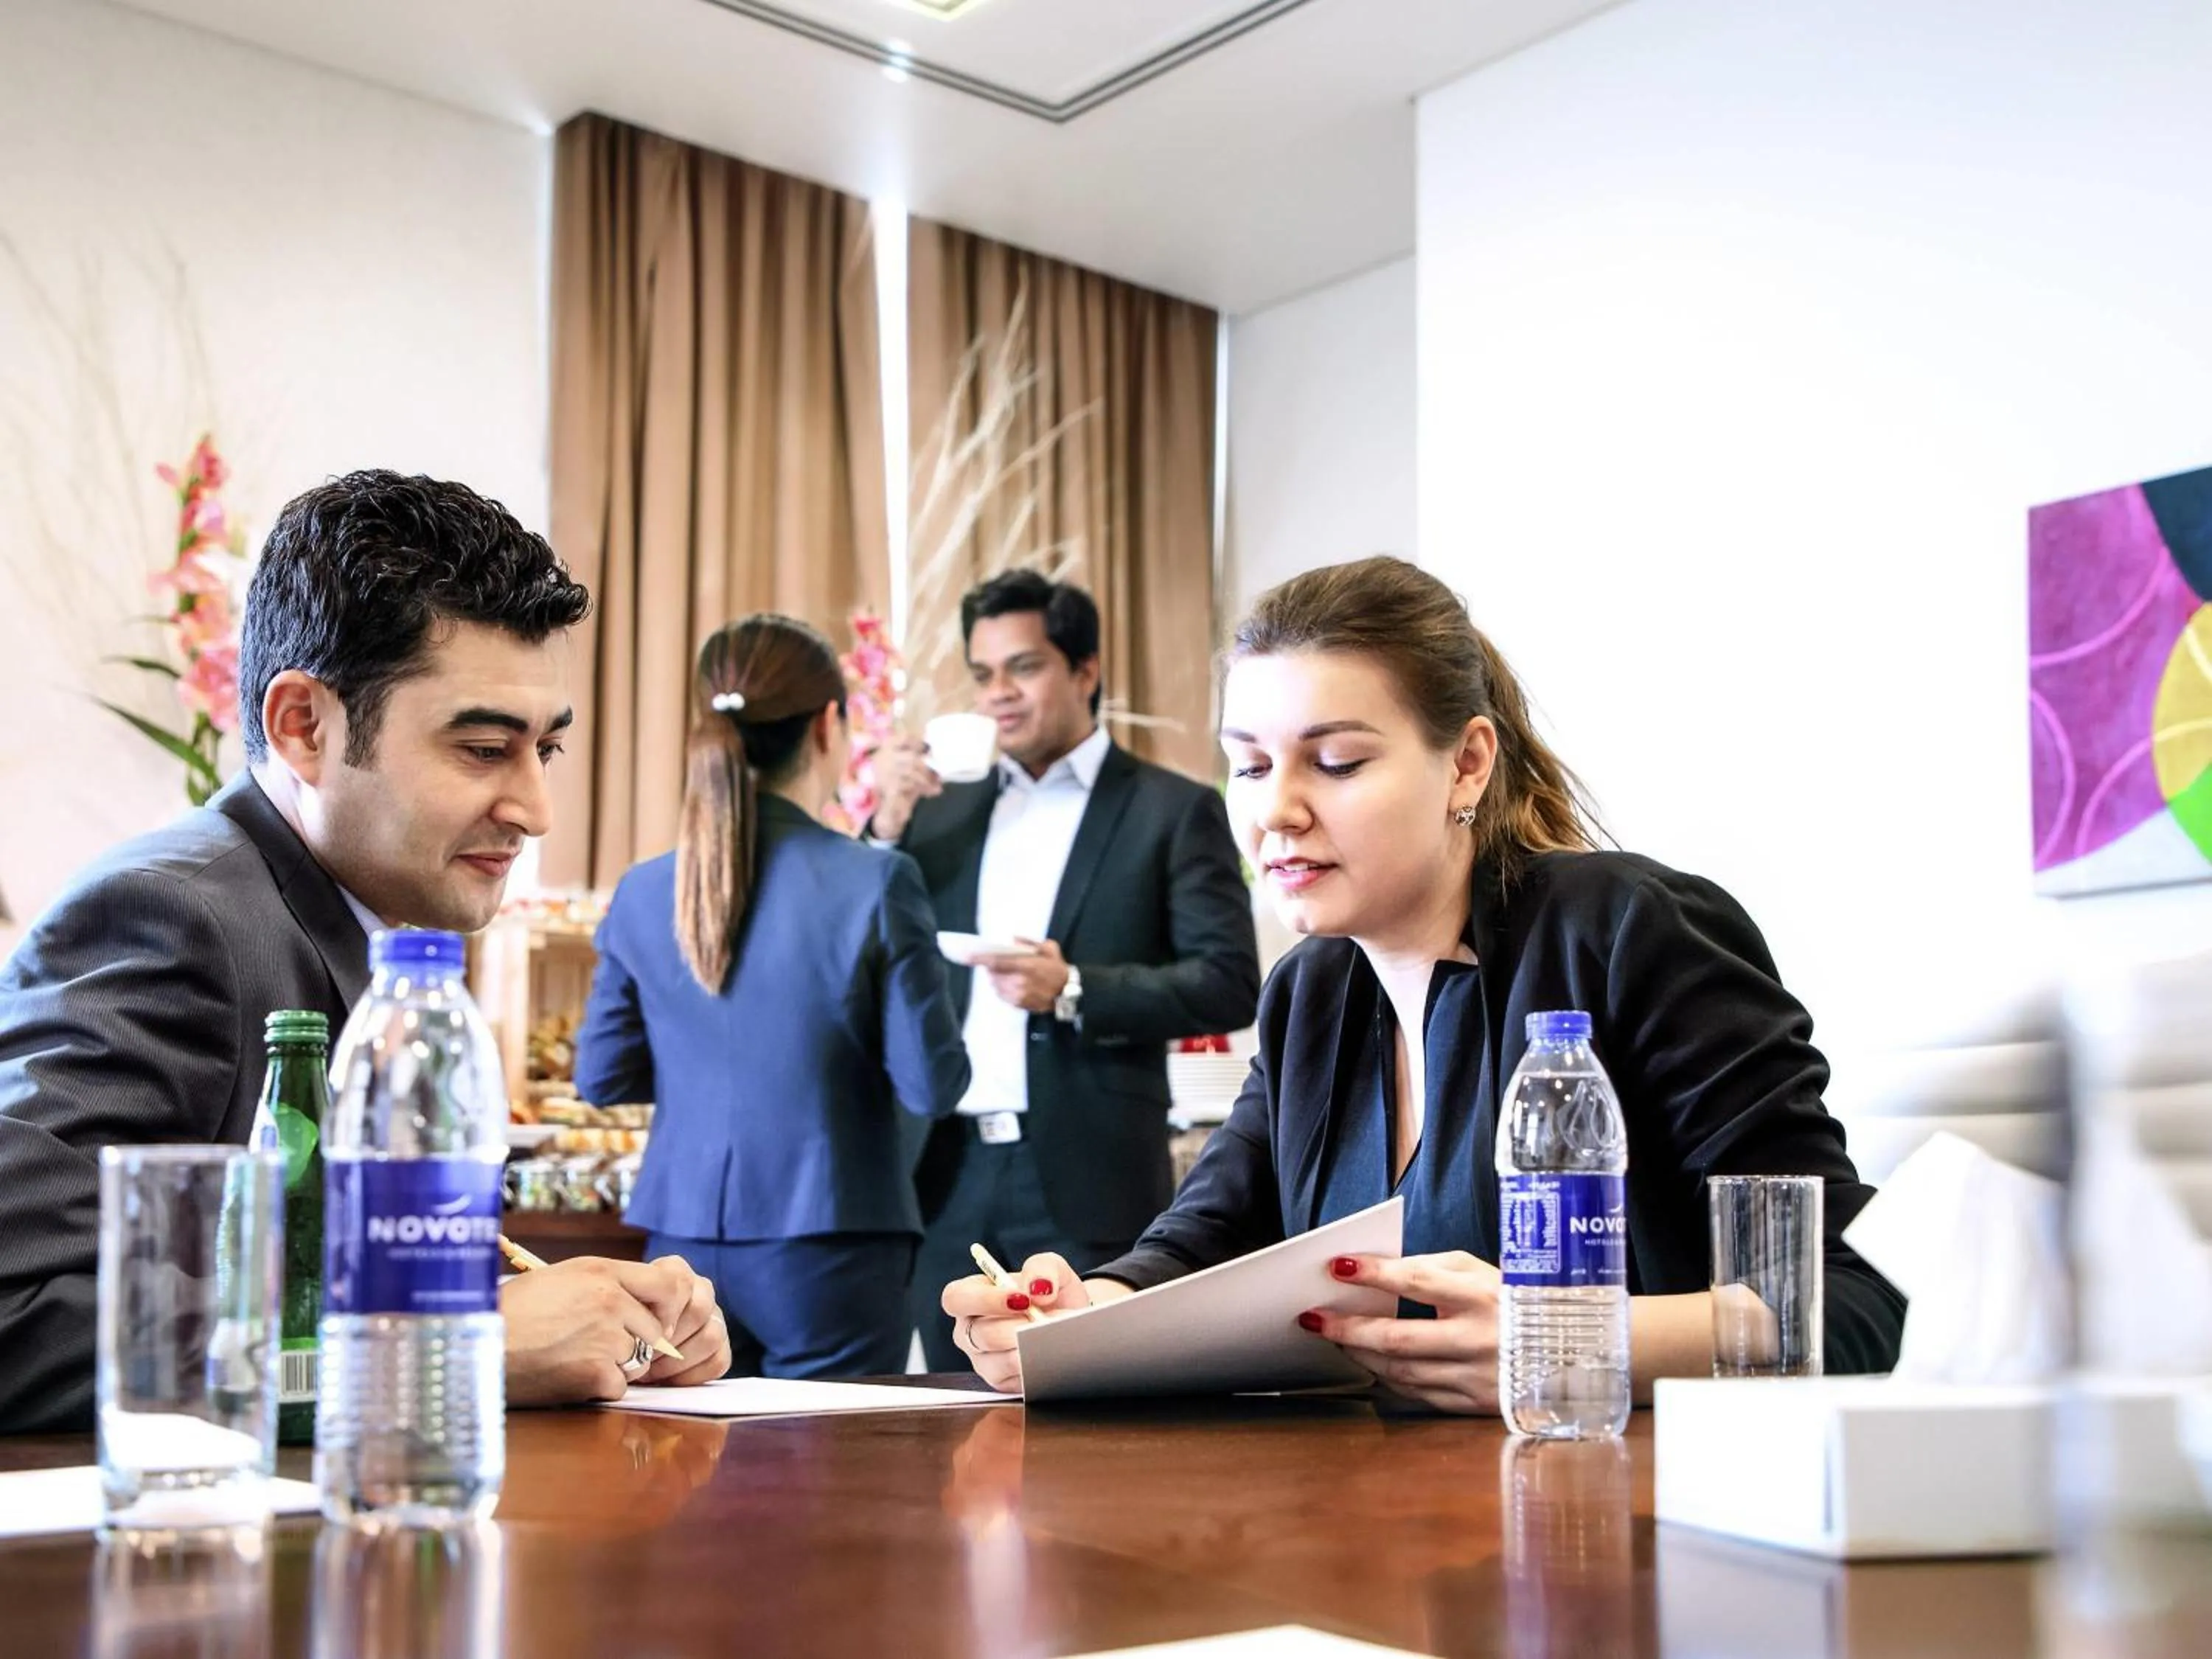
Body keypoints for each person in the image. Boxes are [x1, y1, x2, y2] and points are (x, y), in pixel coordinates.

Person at [943, 556, 1906, 1408]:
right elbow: (1212, 1232)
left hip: (1635, 1528)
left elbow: (1853, 1298)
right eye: (1247, 765)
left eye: (1337, 761)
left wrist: (1568, 1341)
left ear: (1468, 764)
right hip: (1396, 1533)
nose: (1275, 809)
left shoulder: (1627, 933)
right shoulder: (1312, 990)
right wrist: (1078, 1315)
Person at [0, 470, 731, 1435]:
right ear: (303, 725)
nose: (534, 809)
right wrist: (459, 1342)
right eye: (481, 747)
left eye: (543, 750)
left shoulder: (367, 936)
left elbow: (308, 1272)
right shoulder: (174, 916)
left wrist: (610, 1320)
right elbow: (14, 1310)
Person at [869, 569, 1262, 1371]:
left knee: (1094, 1435)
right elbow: (865, 962)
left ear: (1086, 669)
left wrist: (1077, 989)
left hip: (1091, 1176)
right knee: (954, 1430)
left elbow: (1229, 980)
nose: (998, 694)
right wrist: (882, 829)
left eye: (1024, 667)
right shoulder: (935, 811)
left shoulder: (1171, 809)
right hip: (941, 1171)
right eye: (982, 675)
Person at [571, 616, 970, 1378]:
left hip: (679, 1245)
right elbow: (933, 1081)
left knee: (688, 1481)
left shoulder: (646, 889)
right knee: (834, 1490)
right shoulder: (876, 881)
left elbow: (601, 1077)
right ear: (829, 726)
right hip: (835, 1245)